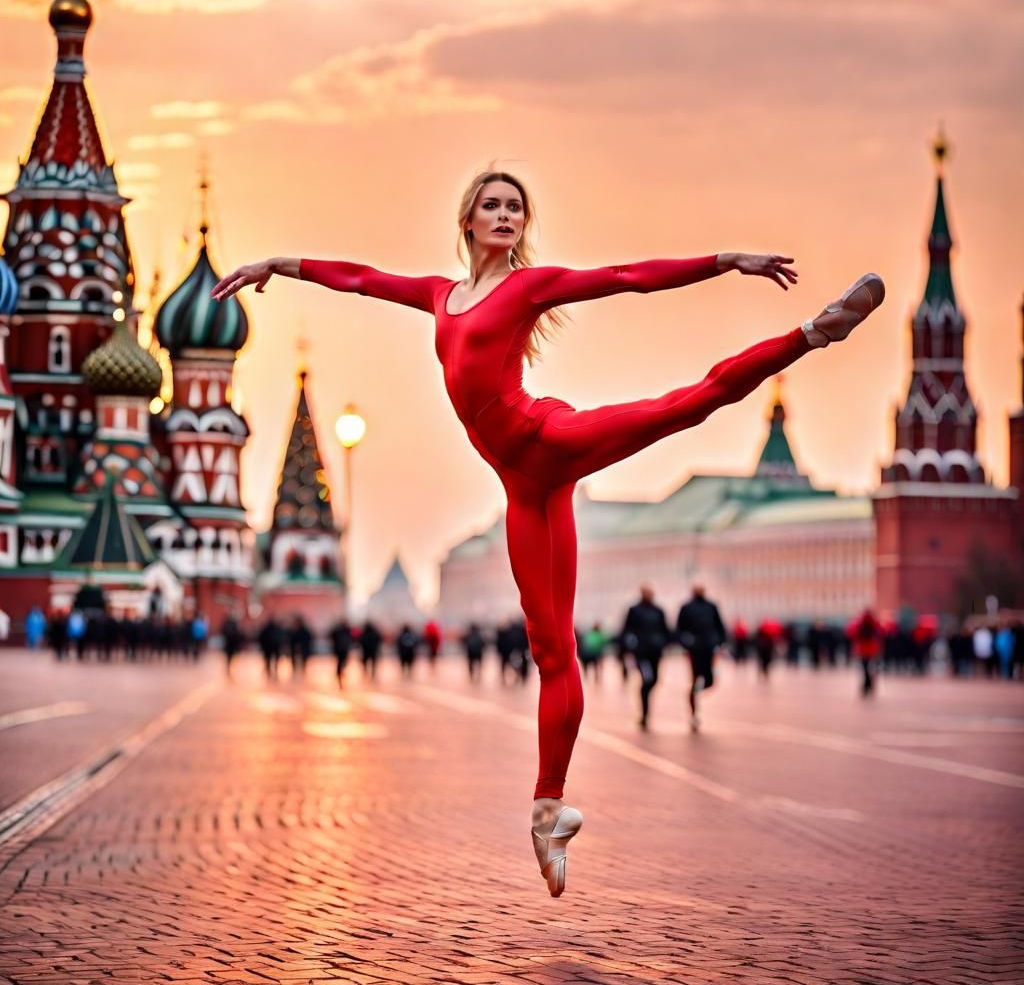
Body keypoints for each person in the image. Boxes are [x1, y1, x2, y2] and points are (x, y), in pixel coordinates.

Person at [212, 168, 884, 898]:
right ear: (468, 220)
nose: (504, 215)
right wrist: (279, 264)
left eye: (515, 208)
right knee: (551, 651)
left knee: (682, 407)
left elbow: (627, 277)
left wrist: (727, 261)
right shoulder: (439, 295)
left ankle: (812, 333)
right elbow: (364, 279)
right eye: (492, 206)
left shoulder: (528, 288)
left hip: (550, 438)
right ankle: (547, 811)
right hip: (524, 489)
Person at [620, 586, 671, 732]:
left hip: (655, 652)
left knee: (655, 680)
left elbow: (665, 629)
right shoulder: (634, 610)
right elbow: (626, 629)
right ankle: (645, 714)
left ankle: (645, 698)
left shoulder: (658, 611)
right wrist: (628, 646)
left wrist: (664, 642)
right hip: (641, 653)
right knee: (647, 680)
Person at [675, 585, 727, 731]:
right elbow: (679, 629)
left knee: (710, 681)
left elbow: (720, 626)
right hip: (694, 650)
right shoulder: (686, 607)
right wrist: (686, 642)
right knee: (695, 678)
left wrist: (720, 642)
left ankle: (695, 693)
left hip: (709, 648)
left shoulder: (711, 606)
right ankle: (694, 712)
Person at [848, 608, 884, 697]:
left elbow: (851, 633)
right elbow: (882, 633)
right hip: (873, 649)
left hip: (862, 650)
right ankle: (869, 684)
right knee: (872, 668)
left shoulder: (859, 623)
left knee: (864, 669)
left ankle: (866, 685)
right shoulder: (875, 622)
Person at [329, 618, 355, 686]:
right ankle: (339, 673)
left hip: (343, 649)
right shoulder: (341, 630)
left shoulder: (345, 630)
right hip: (341, 649)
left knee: (343, 662)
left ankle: (339, 672)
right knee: (341, 662)